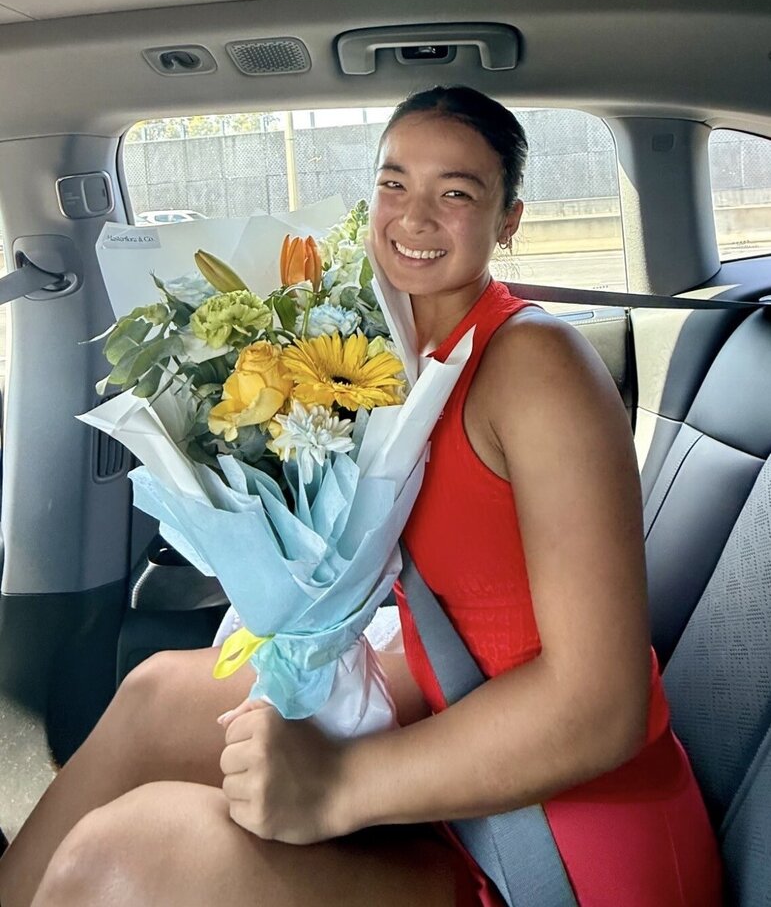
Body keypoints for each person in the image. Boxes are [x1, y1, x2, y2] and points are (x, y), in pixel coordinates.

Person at [0, 86, 723, 907]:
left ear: (508, 221)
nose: (414, 216)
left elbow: (601, 707)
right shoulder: (398, 355)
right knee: (157, 694)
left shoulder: (536, 366)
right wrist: (311, 674)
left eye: (456, 193)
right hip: (468, 740)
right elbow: (467, 629)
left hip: (566, 849)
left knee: (122, 859)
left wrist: (337, 784)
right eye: (393, 183)